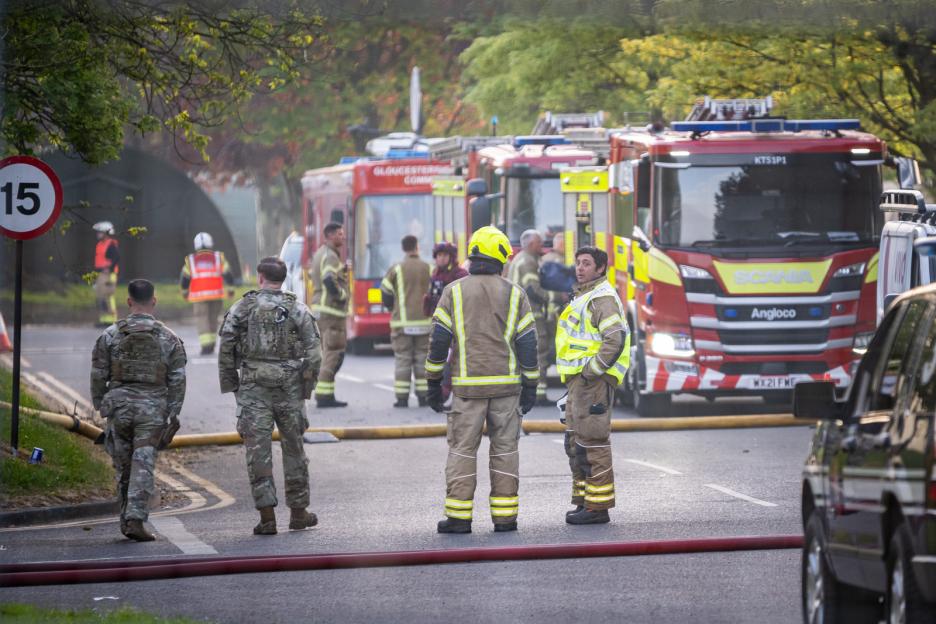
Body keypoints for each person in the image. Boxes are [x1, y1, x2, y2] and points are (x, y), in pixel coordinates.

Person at [425, 226, 540, 534]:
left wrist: (433, 383)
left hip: (467, 389)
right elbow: (528, 344)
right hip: (506, 389)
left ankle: (459, 518)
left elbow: (438, 342)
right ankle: (505, 519)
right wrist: (531, 386)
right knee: (505, 451)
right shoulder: (515, 293)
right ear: (501, 258)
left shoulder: (454, 291)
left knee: (462, 450)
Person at [218, 257, 321, 535]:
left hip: (253, 387)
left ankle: (267, 518)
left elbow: (226, 346)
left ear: (260, 277)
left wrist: (233, 386)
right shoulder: (297, 309)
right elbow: (314, 354)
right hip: (289, 387)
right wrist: (305, 387)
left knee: (258, 451)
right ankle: (299, 513)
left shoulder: (242, 308)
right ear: (283, 279)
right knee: (295, 448)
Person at [91, 279, 186, 542]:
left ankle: (126, 519)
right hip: (151, 410)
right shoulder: (168, 337)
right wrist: (173, 412)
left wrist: (101, 404)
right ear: (154, 301)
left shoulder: (110, 335)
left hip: (119, 408)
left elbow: (98, 373)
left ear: (128, 301)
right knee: (143, 463)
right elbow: (177, 378)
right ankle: (135, 518)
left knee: (123, 466)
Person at [556, 246, 630, 525]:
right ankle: (584, 502)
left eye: (586, 263)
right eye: (577, 263)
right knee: (575, 443)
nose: (579, 267)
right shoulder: (584, 297)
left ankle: (598, 508)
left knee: (593, 442)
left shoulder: (602, 298)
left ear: (600, 268)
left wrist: (591, 372)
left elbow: (615, 338)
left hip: (592, 382)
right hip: (579, 381)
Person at [380, 235, 432, 408]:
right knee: (422, 359)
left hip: (402, 323)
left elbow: (385, 291)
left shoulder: (397, 268)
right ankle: (423, 397)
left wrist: (391, 308)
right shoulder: (429, 268)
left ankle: (402, 399)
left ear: (403, 248)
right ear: (417, 247)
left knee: (403, 360)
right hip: (424, 323)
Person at [507, 229, 551, 406]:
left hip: (519, 315)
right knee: (539, 352)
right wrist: (551, 297)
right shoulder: (528, 262)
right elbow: (533, 289)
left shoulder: (522, 259)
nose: (543, 246)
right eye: (540, 242)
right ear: (531, 244)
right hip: (531, 315)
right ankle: (539, 394)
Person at [308, 223, 349, 408]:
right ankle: (324, 396)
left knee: (326, 351)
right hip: (331, 311)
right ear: (330, 235)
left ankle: (327, 394)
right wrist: (341, 295)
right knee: (333, 353)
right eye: (340, 234)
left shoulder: (320, 253)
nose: (343, 237)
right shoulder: (331, 256)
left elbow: (313, 275)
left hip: (319, 309)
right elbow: (327, 279)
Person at [423, 241, 468, 403]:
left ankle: (448, 394)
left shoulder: (460, 274)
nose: (441, 259)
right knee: (439, 359)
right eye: (438, 256)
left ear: (451, 257)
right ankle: (440, 393)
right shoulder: (435, 274)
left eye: (444, 256)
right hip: (440, 324)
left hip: (456, 324)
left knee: (453, 360)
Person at [179, 232, 235, 355]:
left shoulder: (191, 260)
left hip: (199, 297)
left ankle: (206, 347)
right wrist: (230, 289)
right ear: (211, 244)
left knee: (202, 319)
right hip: (216, 295)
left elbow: (184, 279)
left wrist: (184, 292)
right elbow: (228, 274)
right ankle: (212, 344)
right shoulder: (218, 258)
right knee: (213, 319)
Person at [540, 231, 571, 388]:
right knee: (558, 345)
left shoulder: (545, 259)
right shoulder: (559, 261)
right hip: (556, 311)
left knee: (545, 346)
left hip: (546, 310)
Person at [92, 221, 120, 327]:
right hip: (100, 274)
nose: (98, 234)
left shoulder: (111, 244)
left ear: (106, 233)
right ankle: (104, 320)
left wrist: (109, 269)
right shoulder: (100, 244)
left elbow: (116, 258)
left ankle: (112, 320)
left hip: (109, 274)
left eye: (100, 232)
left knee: (108, 297)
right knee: (100, 297)